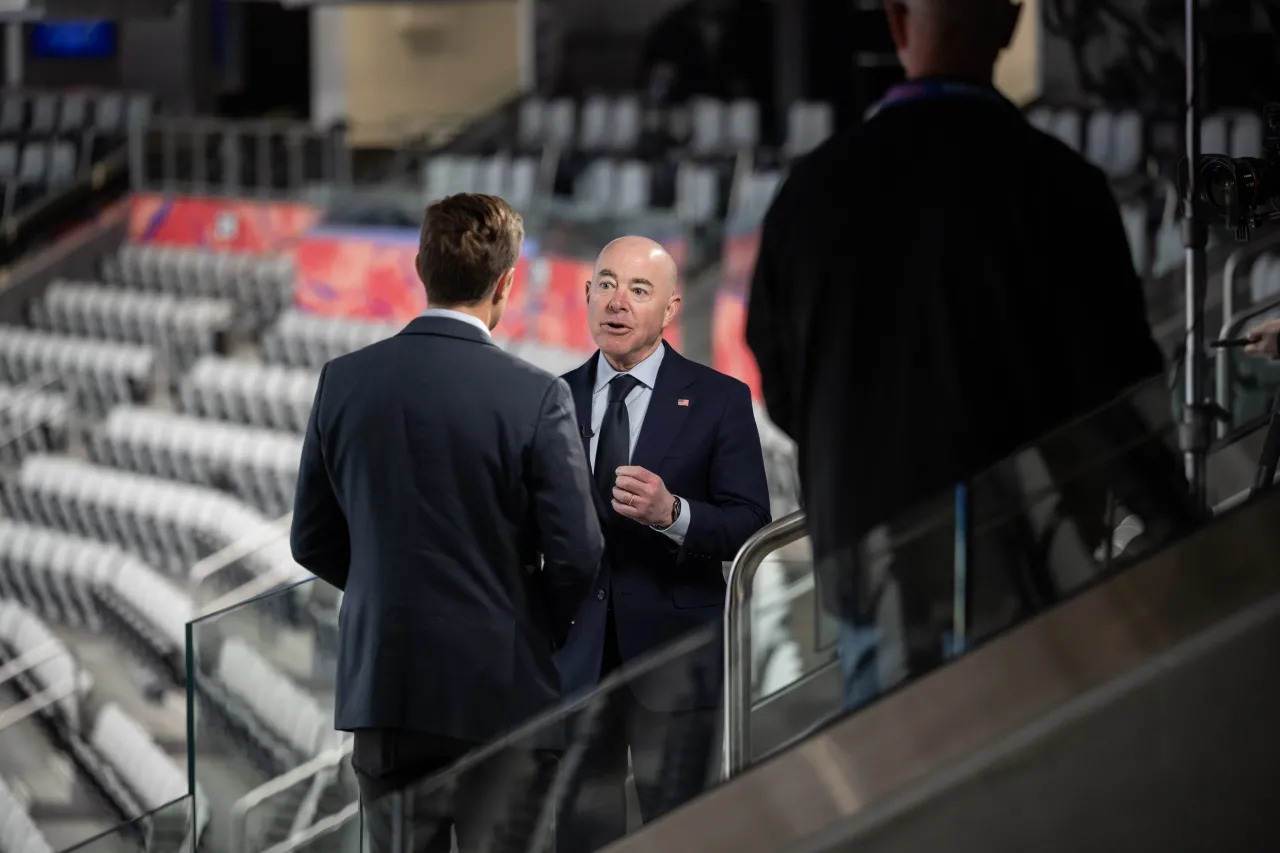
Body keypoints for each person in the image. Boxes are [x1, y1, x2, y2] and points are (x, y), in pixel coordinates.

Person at [745, 0, 1167, 713]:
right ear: (1007, 25)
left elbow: (785, 384)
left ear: (898, 24)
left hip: (875, 558)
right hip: (1038, 562)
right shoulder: (1064, 185)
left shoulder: (811, 192)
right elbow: (1122, 389)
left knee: (900, 787)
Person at [289, 193, 603, 853]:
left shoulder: (344, 382)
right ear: (507, 283)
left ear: (420, 268)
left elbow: (310, 538)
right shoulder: (537, 395)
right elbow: (577, 553)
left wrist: (391, 587)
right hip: (503, 688)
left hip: (388, 689)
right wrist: (528, 616)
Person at [555, 236, 771, 852]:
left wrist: (672, 513)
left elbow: (751, 524)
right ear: (587, 293)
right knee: (579, 834)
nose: (616, 302)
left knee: (679, 834)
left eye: (638, 290)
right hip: (577, 667)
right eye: (605, 284)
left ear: (672, 308)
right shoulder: (552, 398)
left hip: (675, 666)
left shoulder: (720, 399)